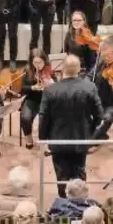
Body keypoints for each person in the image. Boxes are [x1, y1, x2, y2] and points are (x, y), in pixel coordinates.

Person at [39, 54, 103, 198]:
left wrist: (43, 140)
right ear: (79, 69)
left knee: (62, 176)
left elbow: (43, 118)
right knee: (79, 173)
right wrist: (91, 135)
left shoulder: (50, 90)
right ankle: (79, 206)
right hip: (81, 139)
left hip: (57, 141)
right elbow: (100, 116)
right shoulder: (89, 87)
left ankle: (63, 205)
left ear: (62, 69)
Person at [20, 49, 54, 148]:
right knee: (25, 117)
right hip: (32, 99)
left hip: (45, 101)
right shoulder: (27, 70)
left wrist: (51, 83)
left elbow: (56, 87)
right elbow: (22, 89)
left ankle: (44, 143)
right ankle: (29, 140)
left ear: (45, 60)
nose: (38, 65)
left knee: (44, 120)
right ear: (31, 62)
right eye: (35, 62)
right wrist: (32, 87)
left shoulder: (49, 69)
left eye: (40, 62)